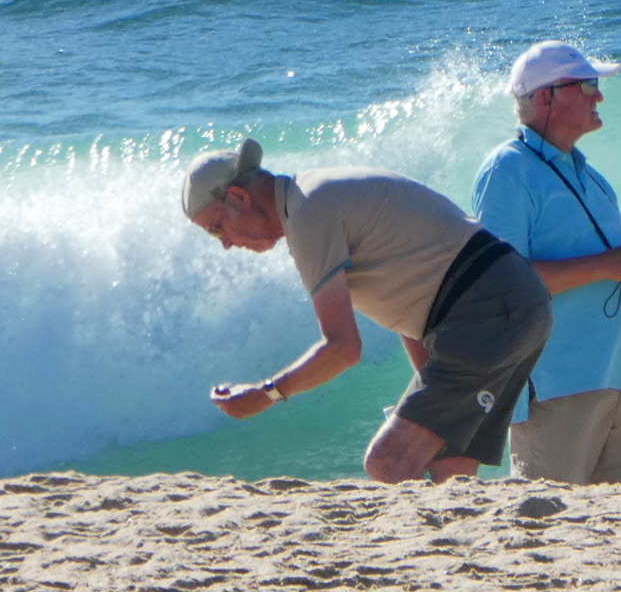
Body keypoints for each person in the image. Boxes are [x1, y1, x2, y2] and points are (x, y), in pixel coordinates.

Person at [185, 138, 551, 485]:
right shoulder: (314, 194)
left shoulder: (308, 214)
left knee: (387, 461)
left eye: (218, 228)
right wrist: (425, 390)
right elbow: (411, 304)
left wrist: (266, 395)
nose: (227, 245)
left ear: (238, 196)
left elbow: (343, 348)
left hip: (490, 306)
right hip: (513, 299)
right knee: (450, 467)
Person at [471, 41, 621, 483]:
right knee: (547, 532)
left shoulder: (591, 176)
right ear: (546, 97)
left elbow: (616, 281)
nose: (598, 96)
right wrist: (604, 265)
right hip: (557, 385)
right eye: (587, 86)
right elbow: (499, 285)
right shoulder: (506, 169)